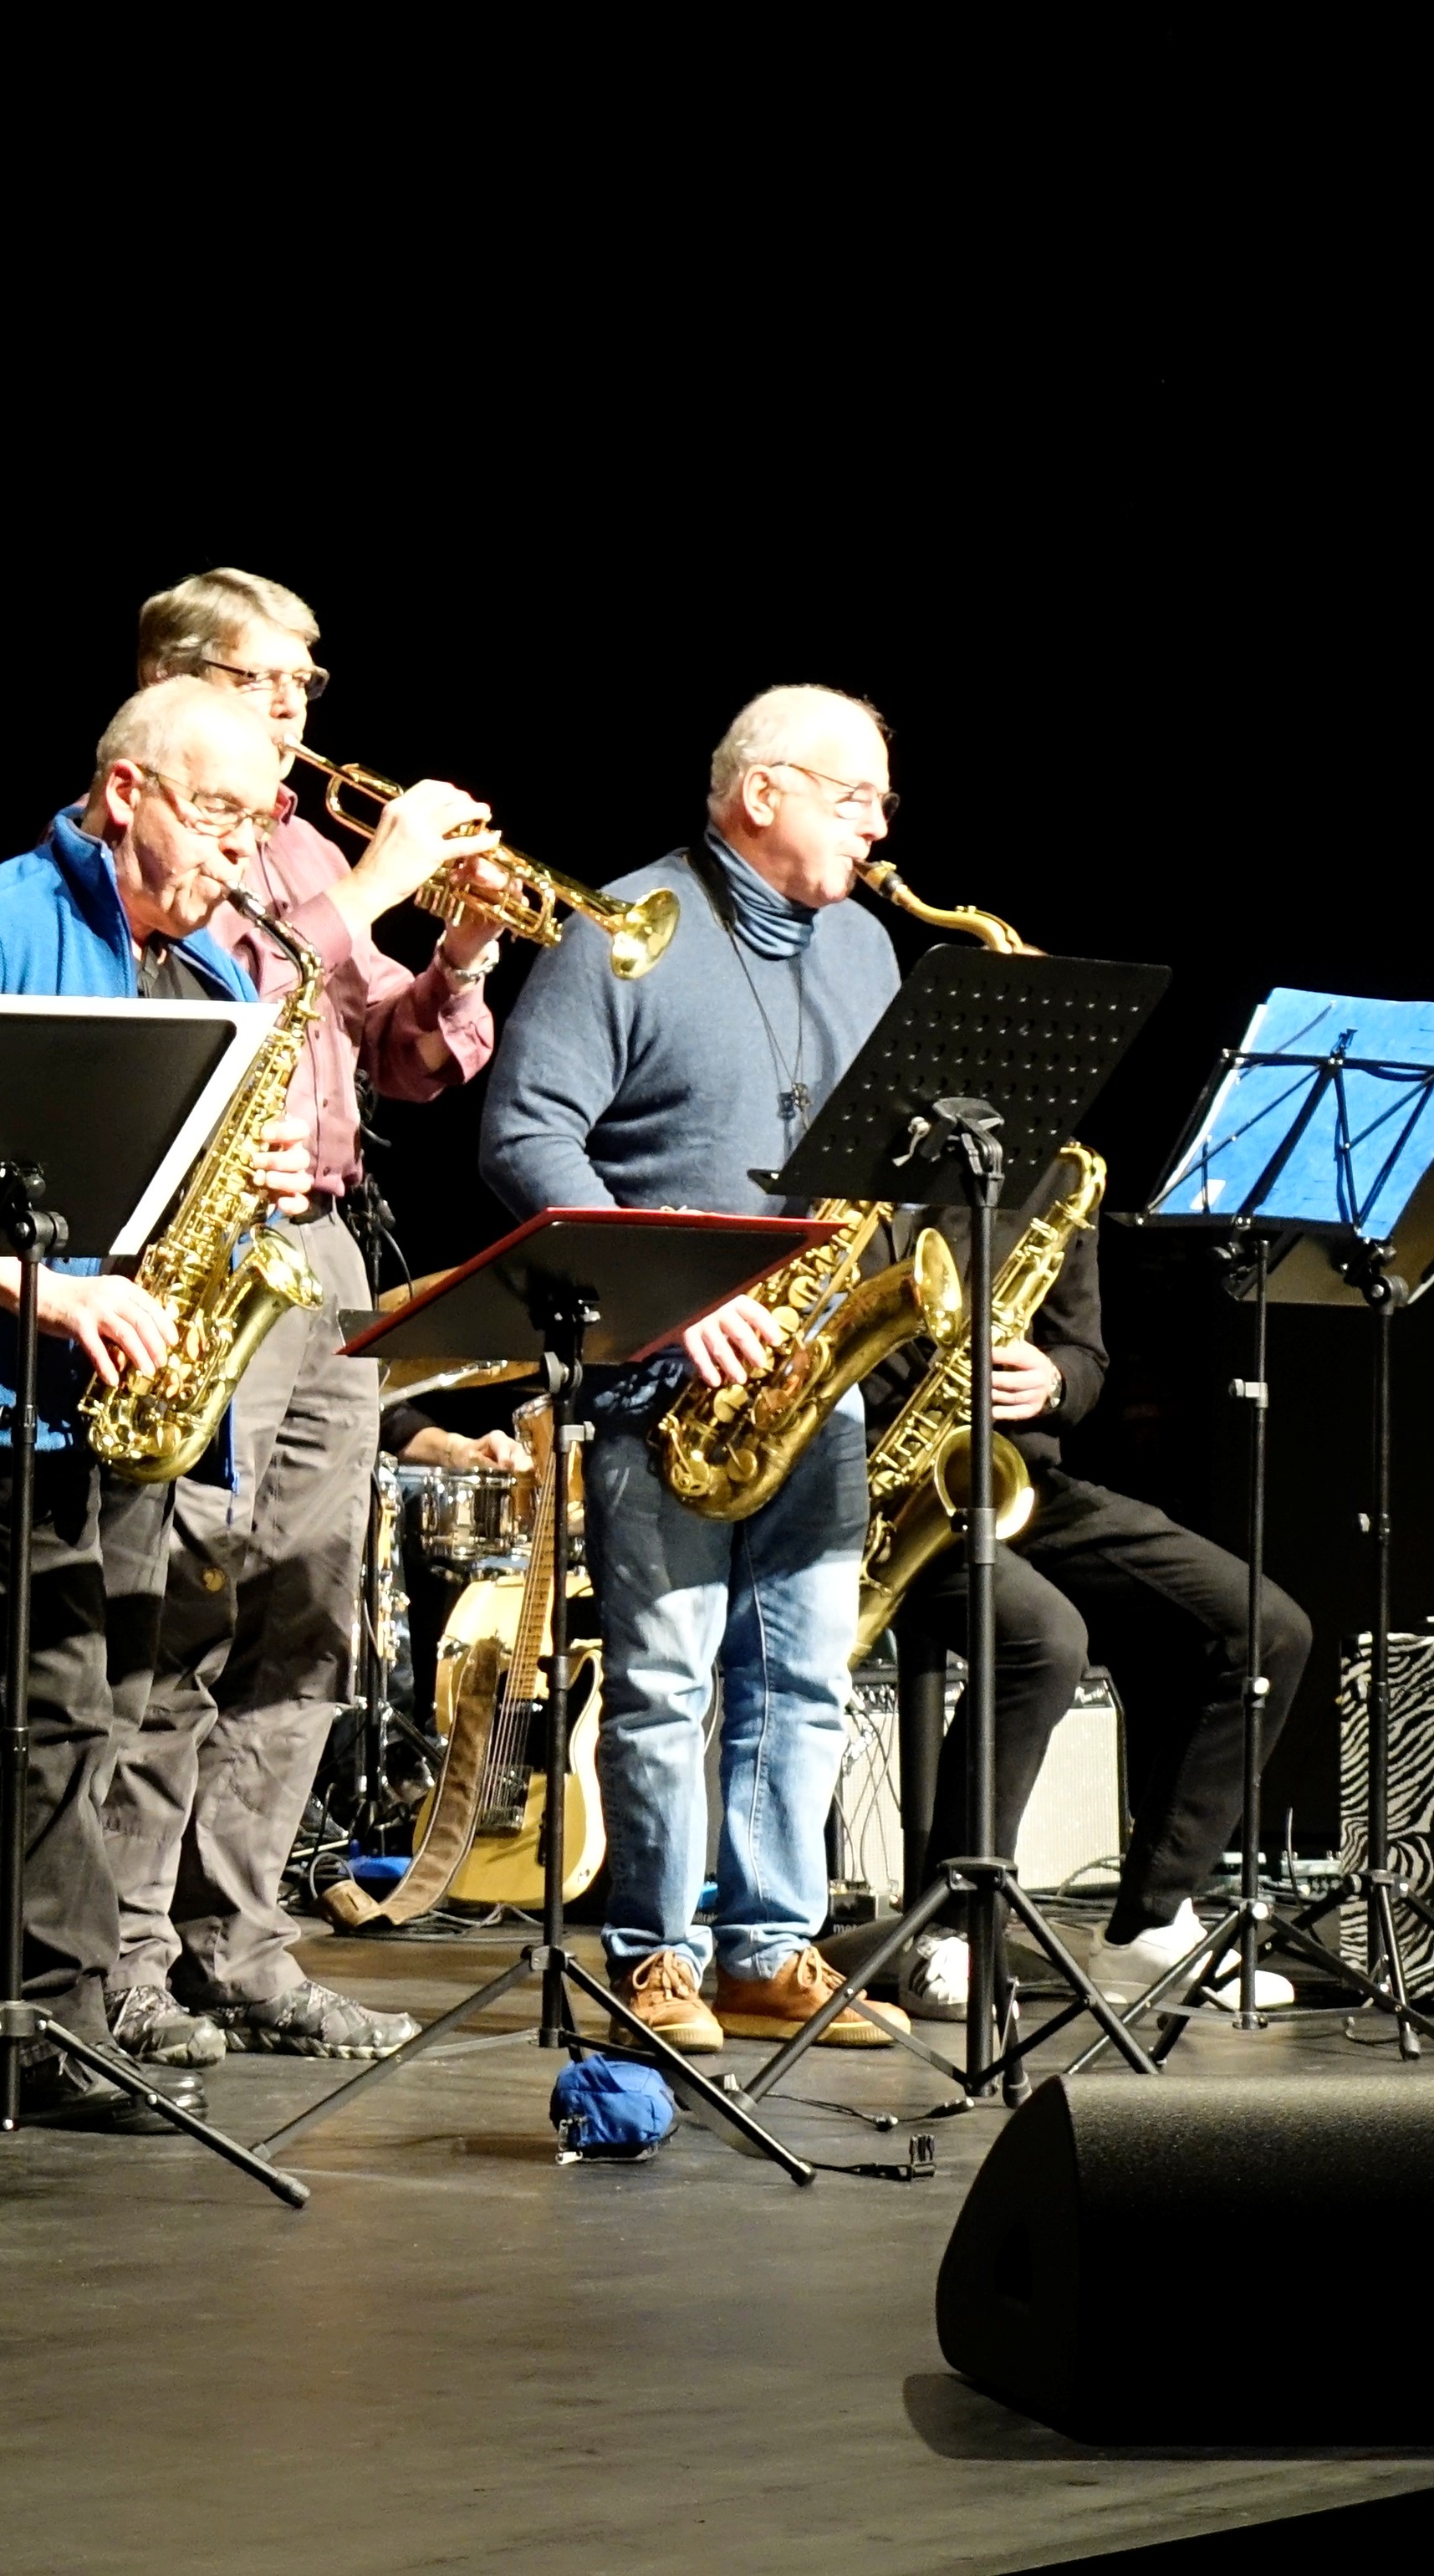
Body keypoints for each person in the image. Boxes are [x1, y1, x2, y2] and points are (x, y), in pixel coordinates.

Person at [0, 677, 301, 2126]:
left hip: (136, 1385)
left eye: (254, 820)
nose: (237, 850)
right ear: (123, 795)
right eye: (214, 813)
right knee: (50, 1698)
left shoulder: (217, 971)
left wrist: (255, 1190)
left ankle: (46, 1988)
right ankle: (42, 2020)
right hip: (2, 1379)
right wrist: (57, 1296)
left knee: (114, 1693)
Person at [96, 570, 522, 2069]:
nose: (291, 707)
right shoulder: (149, 838)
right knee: (182, 1612)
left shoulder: (296, 845)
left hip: (323, 1250)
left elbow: (402, 1057)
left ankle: (240, 1945)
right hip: (196, 1267)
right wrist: (381, 880)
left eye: (304, 681)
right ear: (175, 679)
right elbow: (244, 988)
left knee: (308, 1614)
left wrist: (460, 943)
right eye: (260, 677)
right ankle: (127, 1958)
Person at [475, 683, 918, 2056]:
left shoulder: (863, 952)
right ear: (762, 791)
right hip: (665, 1382)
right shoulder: (621, 934)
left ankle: (767, 1947)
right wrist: (669, 1309)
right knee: (667, 1683)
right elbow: (524, 1140)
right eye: (856, 798)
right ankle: (653, 1954)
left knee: (803, 1683)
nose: (880, 826)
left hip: (811, 1372)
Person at [845, 1183, 1319, 2010]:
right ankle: (950, 1924)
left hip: (1012, 1479)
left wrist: (1053, 1381)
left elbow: (1085, 1360)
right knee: (1045, 1639)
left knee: (1265, 1627)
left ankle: (1148, 1921)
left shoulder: (1052, 1183)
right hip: (868, 1490)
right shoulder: (839, 1173)